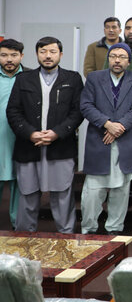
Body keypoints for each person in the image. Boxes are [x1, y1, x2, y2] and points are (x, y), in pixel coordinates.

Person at [7, 37, 83, 233]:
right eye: (43, 52)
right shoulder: (23, 79)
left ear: (61, 54)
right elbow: (13, 111)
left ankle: (67, 239)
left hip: (60, 147)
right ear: (37, 54)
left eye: (52, 51)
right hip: (28, 146)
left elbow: (78, 112)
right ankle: (23, 241)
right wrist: (30, 133)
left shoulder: (73, 79)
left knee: (62, 196)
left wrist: (57, 133)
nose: (47, 56)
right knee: (28, 196)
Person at [80, 43, 132, 235]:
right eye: (113, 56)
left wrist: (120, 127)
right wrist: (108, 124)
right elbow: (86, 105)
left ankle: (114, 230)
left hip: (124, 142)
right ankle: (88, 229)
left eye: (122, 57)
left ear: (129, 61)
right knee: (92, 193)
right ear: (108, 58)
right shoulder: (94, 78)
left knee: (121, 191)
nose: (117, 60)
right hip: (99, 141)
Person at [0, 39, 24, 228]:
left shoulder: (30, 77)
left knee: (21, 185)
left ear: (21, 56)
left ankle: (19, 228)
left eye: (14, 55)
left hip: (22, 141)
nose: (9, 59)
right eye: (4, 55)